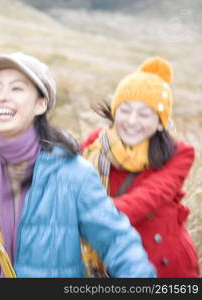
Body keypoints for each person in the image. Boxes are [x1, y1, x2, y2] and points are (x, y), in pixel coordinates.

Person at [0, 52, 156, 278]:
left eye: (16, 89)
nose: (1, 97)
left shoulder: (73, 173)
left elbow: (116, 240)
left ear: (41, 104)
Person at [81, 57, 200, 278]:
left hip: (167, 265)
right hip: (113, 264)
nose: (132, 121)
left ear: (159, 122)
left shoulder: (179, 153)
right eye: (125, 110)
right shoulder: (95, 146)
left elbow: (150, 196)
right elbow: (65, 179)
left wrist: (92, 214)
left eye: (144, 114)